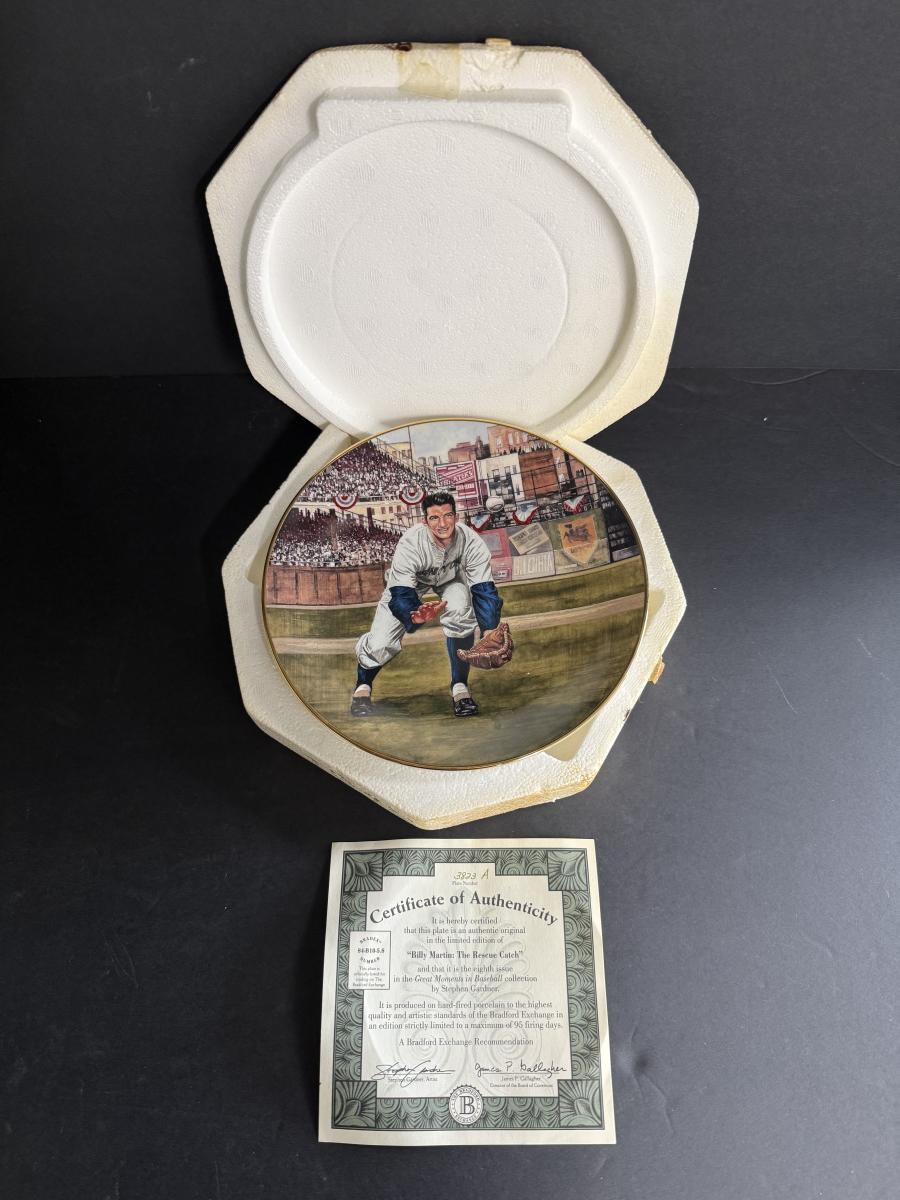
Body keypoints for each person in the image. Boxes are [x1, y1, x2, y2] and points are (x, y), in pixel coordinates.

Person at [350, 492, 503, 718]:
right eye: (434, 518)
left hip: (451, 580)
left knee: (460, 608)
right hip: (410, 587)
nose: (442, 524)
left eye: (447, 516)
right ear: (425, 521)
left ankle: (459, 687)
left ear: (456, 516)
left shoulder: (470, 541)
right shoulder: (411, 542)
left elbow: (482, 586)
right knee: (380, 643)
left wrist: (489, 629)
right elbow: (401, 591)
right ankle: (363, 686)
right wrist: (414, 615)